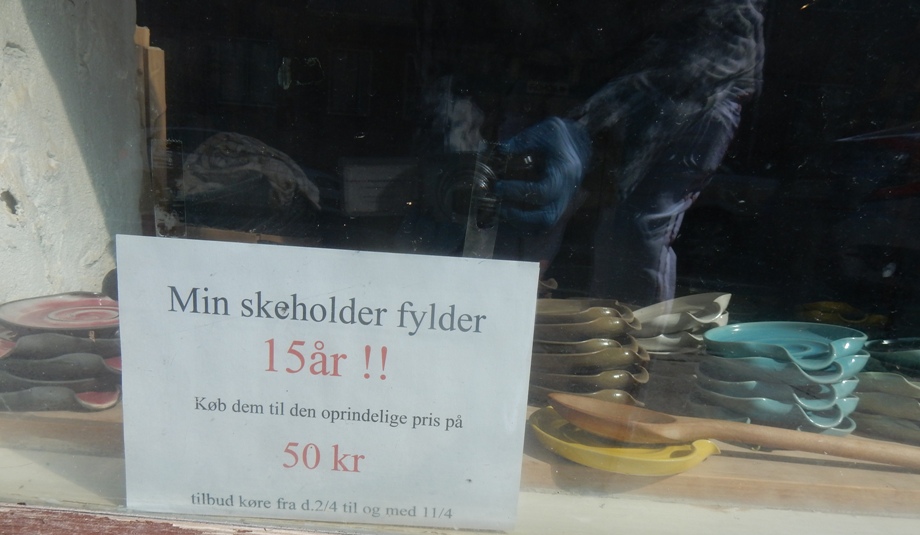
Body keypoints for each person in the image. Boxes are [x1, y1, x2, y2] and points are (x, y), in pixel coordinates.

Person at [408, 0, 766, 306]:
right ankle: (489, 315)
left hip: (681, 91)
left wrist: (588, 128)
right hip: (552, 81)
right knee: (502, 211)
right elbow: (447, 46)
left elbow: (719, 44)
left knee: (634, 228)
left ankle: (628, 342)